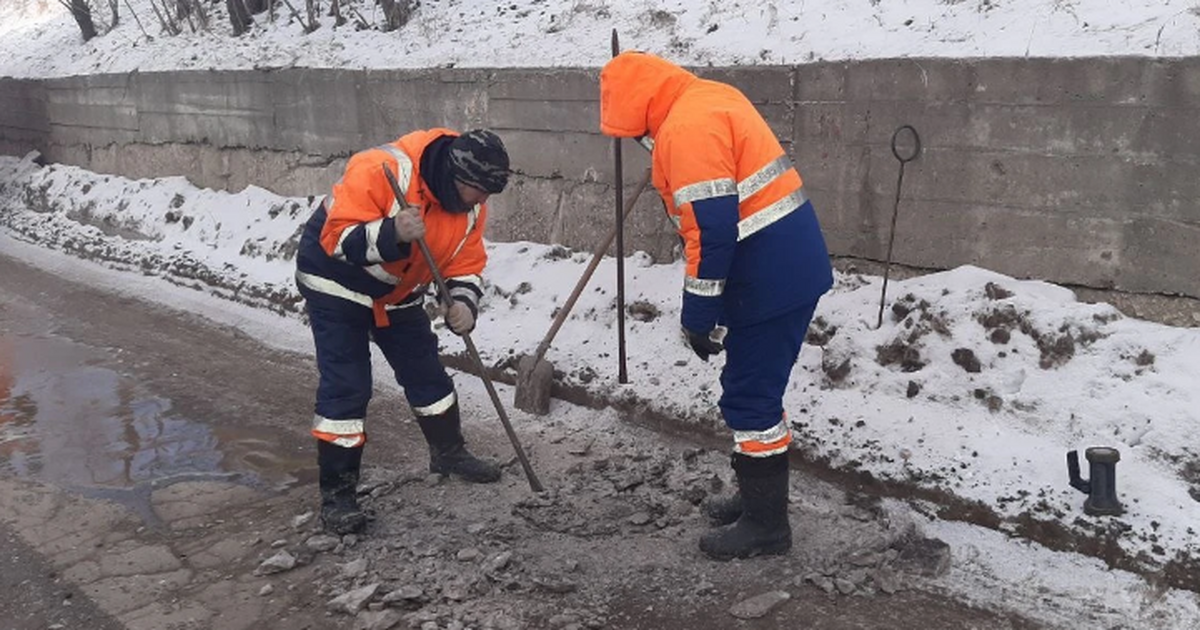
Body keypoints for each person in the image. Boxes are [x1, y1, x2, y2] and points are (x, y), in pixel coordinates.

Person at [599, 52, 834, 560]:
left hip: (771, 279)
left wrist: (698, 315)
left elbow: (711, 231)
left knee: (751, 398)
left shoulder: (685, 128)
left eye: (635, 132)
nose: (639, 141)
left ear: (641, 108)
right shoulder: (709, 97)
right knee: (752, 389)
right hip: (780, 268)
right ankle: (756, 501)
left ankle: (767, 526)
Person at [295, 128, 512, 535]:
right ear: (456, 176)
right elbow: (337, 240)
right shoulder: (381, 169)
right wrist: (391, 232)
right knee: (348, 385)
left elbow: (465, 264)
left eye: (488, 194)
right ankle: (338, 496)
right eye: (480, 191)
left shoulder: (469, 208)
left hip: (398, 290)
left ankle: (449, 453)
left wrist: (463, 303)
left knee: (426, 373)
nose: (483, 202)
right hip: (336, 283)